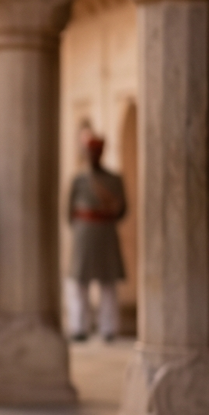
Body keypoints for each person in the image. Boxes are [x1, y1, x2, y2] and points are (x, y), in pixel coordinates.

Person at [66, 129, 127, 342]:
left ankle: (108, 328)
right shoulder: (79, 179)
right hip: (84, 235)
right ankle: (78, 327)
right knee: (78, 283)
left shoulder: (114, 179)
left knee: (108, 284)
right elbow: (69, 211)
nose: (93, 156)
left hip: (106, 235)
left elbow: (122, 210)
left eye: (96, 151)